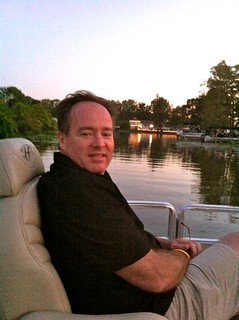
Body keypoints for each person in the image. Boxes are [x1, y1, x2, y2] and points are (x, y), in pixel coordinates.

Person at [37, 90, 239, 319]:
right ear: (62, 138)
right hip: (162, 307)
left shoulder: (77, 180)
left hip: (149, 297)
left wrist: (166, 245)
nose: (100, 143)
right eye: (86, 133)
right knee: (236, 242)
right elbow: (158, 277)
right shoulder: (76, 193)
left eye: (106, 133)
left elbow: (120, 242)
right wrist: (182, 253)